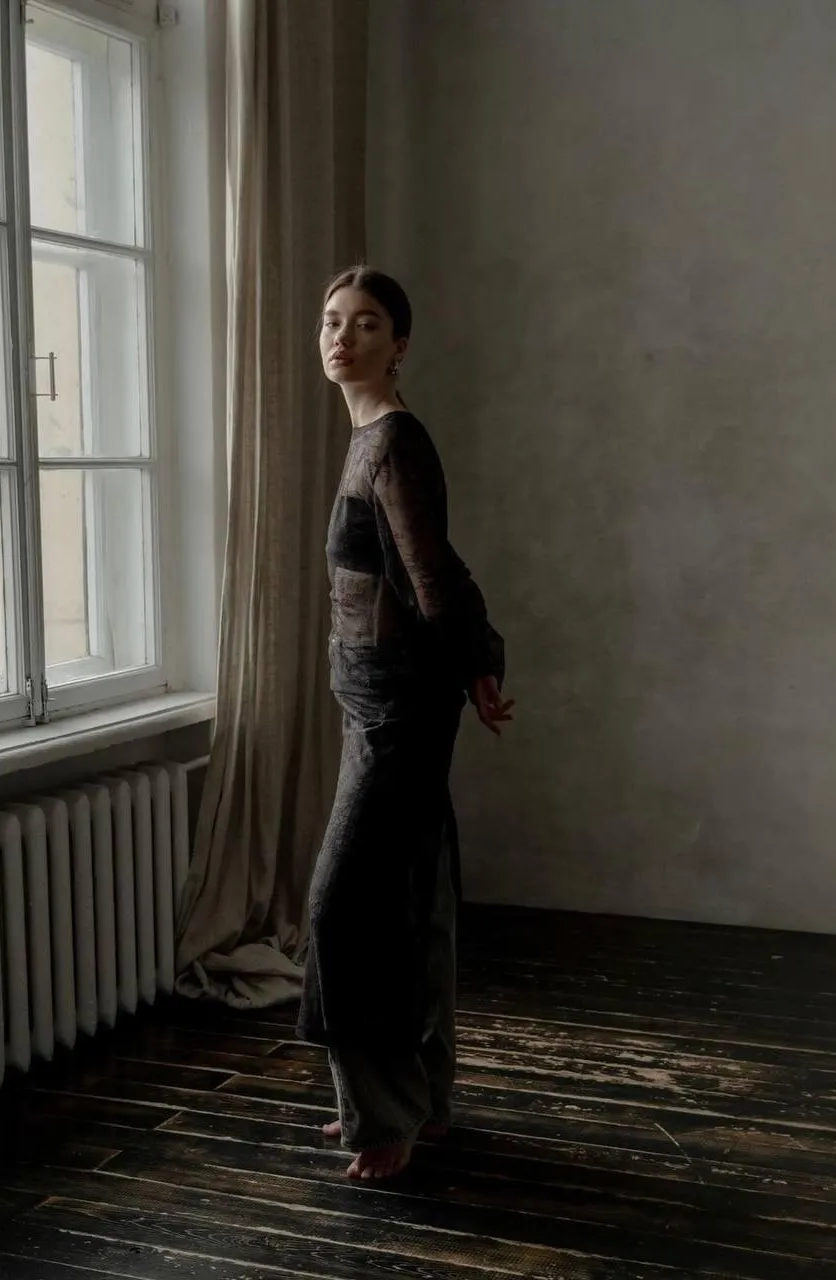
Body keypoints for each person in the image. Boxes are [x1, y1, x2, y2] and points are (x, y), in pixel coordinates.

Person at [297, 266, 513, 1181]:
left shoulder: (390, 442)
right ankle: (420, 1106)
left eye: (367, 323)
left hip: (397, 714)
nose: (342, 338)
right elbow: (437, 562)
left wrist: (474, 665)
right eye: (331, 321)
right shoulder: (371, 442)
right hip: (375, 706)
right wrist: (484, 659)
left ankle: (382, 1119)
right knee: (416, 902)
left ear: (400, 345)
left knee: (344, 911)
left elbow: (429, 580)